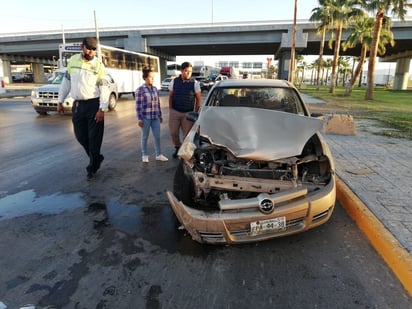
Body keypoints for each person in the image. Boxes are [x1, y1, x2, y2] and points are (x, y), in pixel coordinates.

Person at [57, 37, 110, 180]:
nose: (92, 52)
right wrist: (60, 100)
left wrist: (102, 108)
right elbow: (66, 82)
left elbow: (104, 87)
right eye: (89, 48)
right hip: (78, 106)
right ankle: (96, 158)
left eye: (94, 49)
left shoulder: (99, 65)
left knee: (94, 139)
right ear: (82, 47)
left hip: (94, 105)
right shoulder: (73, 60)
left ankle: (92, 166)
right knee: (80, 136)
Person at [168, 61, 202, 158]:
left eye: (190, 72)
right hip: (175, 111)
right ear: (181, 71)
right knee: (173, 132)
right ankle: (177, 147)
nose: (188, 73)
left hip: (188, 114)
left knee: (187, 135)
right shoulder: (174, 81)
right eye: (186, 71)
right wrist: (170, 109)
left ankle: (184, 152)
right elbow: (170, 96)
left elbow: (199, 99)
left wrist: (195, 113)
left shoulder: (194, 83)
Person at [135, 68, 168, 163]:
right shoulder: (140, 90)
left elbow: (158, 103)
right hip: (145, 117)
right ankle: (144, 155)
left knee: (157, 136)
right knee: (144, 137)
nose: (152, 79)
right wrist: (139, 119)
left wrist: (160, 115)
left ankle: (159, 154)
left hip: (155, 117)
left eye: (153, 77)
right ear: (145, 78)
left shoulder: (155, 89)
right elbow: (138, 106)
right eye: (150, 77)